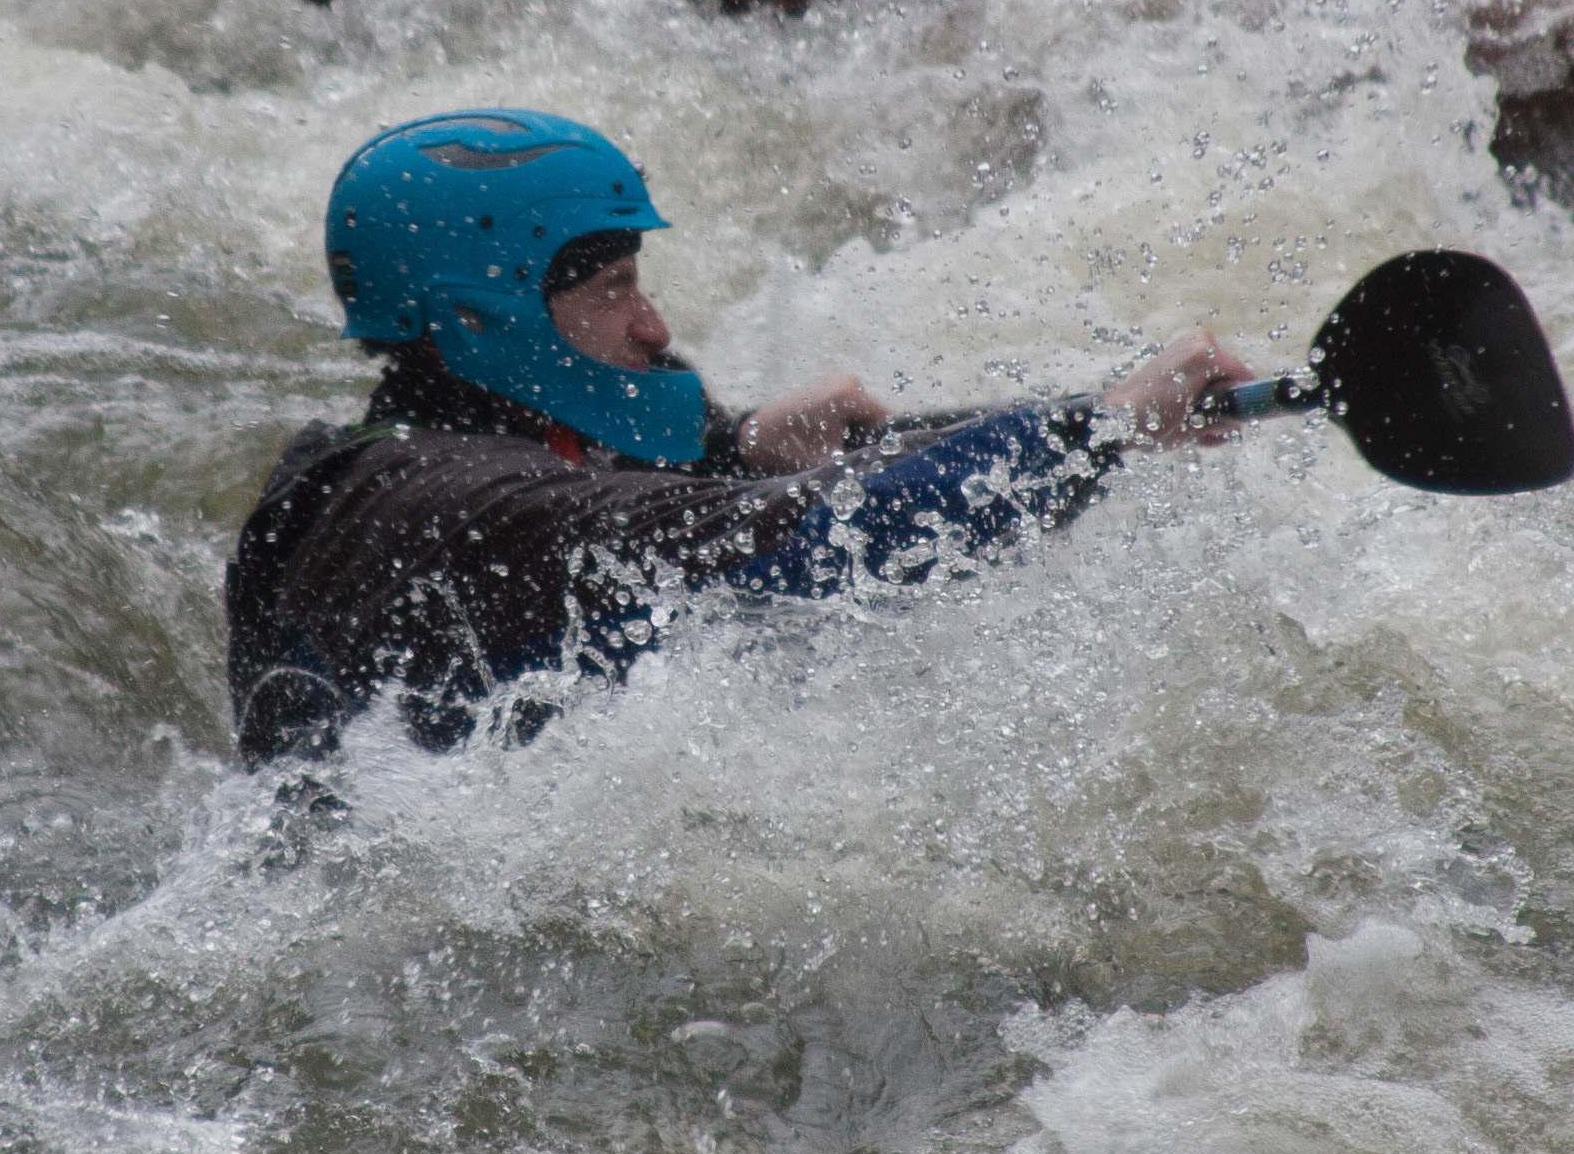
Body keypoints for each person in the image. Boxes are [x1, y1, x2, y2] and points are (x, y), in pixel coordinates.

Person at [223, 108, 1254, 767]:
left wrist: (738, 446)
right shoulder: (458, 507)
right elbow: (834, 538)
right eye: (612, 289)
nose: (652, 327)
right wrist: (1102, 430)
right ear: (479, 318)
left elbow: (681, 503)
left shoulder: (428, 447)